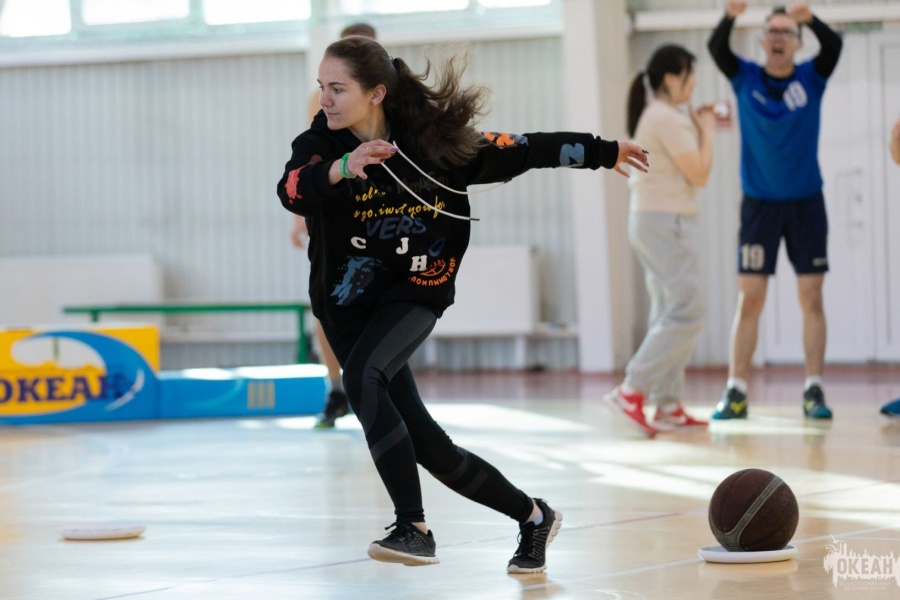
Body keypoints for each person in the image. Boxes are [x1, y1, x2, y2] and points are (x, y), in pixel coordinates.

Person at [276, 36, 648, 571]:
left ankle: (413, 527)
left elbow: (526, 148)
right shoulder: (318, 143)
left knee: (361, 378)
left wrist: (602, 151)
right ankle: (534, 517)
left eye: (338, 88)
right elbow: (292, 190)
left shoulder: (433, 143)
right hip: (344, 303)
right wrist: (343, 167)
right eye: (322, 87)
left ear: (376, 93)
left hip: (415, 289)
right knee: (429, 446)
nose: (325, 99)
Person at [707, 1, 842, 421]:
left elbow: (834, 47)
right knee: (750, 298)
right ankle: (736, 391)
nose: (779, 38)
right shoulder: (745, 77)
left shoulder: (811, 78)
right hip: (759, 206)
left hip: (806, 203)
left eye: (787, 32)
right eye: (773, 32)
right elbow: (717, 48)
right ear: (763, 41)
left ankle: (813, 389)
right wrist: (730, 16)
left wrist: (810, 18)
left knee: (811, 297)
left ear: (798, 43)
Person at [602, 45, 717, 438]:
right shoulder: (665, 117)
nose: (694, 82)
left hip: (653, 220)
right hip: (666, 222)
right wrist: (707, 131)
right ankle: (632, 389)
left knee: (669, 310)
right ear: (671, 78)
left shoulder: (658, 115)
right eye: (689, 73)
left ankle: (667, 404)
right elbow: (699, 173)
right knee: (688, 308)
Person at [292, 23, 377, 429]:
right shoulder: (321, 99)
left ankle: (374, 385)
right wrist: (299, 215)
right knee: (328, 302)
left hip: (380, 209)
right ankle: (337, 387)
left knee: (385, 302)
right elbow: (309, 158)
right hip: (335, 202)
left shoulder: (390, 95)